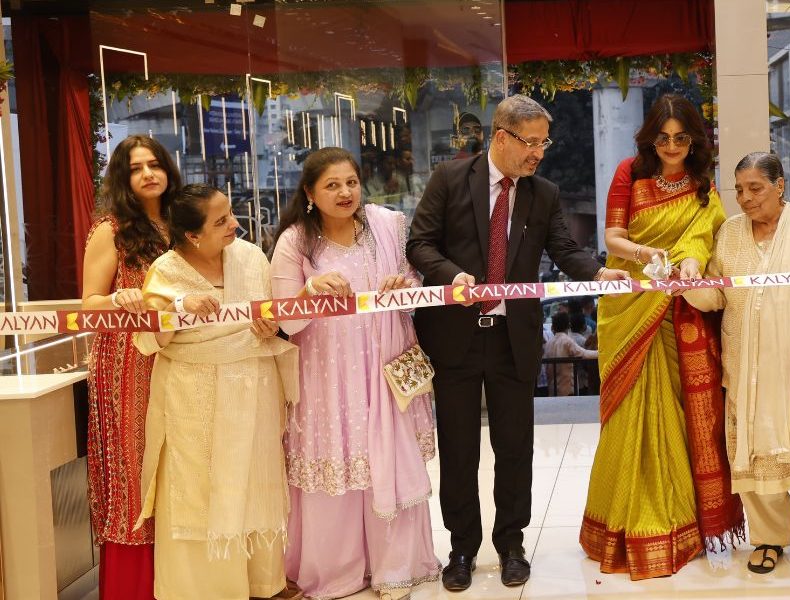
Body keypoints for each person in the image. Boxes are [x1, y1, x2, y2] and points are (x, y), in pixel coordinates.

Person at [407, 94, 629, 591]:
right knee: (459, 450)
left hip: (514, 339)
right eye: (531, 142)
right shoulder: (449, 179)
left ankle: (511, 544)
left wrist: (598, 272)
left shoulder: (542, 193)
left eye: (544, 143)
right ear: (501, 137)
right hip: (456, 337)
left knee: (514, 448)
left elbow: (564, 249)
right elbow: (419, 243)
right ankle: (461, 548)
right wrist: (453, 276)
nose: (538, 153)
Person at [581, 93, 742, 580]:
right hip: (632, 302)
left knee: (682, 414)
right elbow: (612, 239)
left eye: (681, 138)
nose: (671, 147)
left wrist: (688, 263)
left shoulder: (702, 186)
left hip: (680, 311)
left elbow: (701, 238)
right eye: (663, 138)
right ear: (651, 138)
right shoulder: (630, 173)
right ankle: (623, 524)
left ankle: (680, 523)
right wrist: (648, 254)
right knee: (630, 413)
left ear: (694, 141)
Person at [271, 147, 441, 600]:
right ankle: (338, 571)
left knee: (386, 457)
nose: (345, 192)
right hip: (328, 374)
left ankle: (395, 566)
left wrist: (404, 284)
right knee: (339, 459)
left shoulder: (385, 225)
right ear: (310, 194)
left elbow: (413, 281)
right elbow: (285, 321)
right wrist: (310, 290)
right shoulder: (295, 242)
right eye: (331, 185)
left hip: (386, 365)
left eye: (351, 182)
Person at [685, 152, 790, 575]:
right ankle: (769, 537)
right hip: (750, 370)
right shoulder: (730, 233)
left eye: (755, 188)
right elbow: (716, 296)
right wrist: (686, 286)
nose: (745, 198)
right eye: (740, 189)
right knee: (756, 454)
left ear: (779, 186)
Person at [132, 184, 296, 600]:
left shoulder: (251, 257)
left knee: (254, 479)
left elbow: (270, 315)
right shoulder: (165, 271)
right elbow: (149, 340)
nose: (234, 224)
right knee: (197, 490)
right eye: (221, 221)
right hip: (192, 394)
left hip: (253, 385)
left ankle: (263, 582)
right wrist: (178, 308)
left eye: (231, 214)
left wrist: (269, 327)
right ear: (192, 235)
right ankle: (204, 590)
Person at [80, 134, 180, 600]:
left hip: (180, 358)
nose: (148, 174)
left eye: (154, 164)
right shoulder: (111, 229)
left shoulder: (182, 221)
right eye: (136, 168)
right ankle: (132, 587)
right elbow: (89, 304)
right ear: (123, 177)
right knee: (134, 471)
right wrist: (121, 299)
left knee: (178, 468)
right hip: (126, 366)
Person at [545, 312, 599, 395]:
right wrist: (601, 353)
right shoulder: (567, 341)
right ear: (569, 325)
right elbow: (584, 354)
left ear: (553, 327)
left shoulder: (549, 342)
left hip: (552, 389)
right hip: (566, 388)